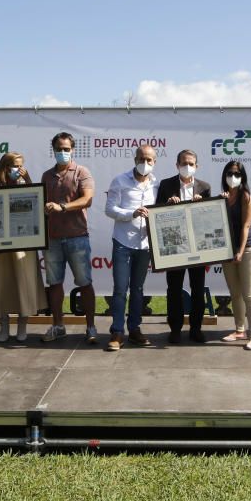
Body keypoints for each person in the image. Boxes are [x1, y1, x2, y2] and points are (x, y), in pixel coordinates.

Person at [41, 132, 97, 343]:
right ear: (53, 150)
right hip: (52, 238)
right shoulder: (46, 175)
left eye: (66, 149)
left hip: (77, 237)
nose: (62, 152)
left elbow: (87, 199)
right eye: (59, 149)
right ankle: (58, 325)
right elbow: (41, 202)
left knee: (84, 283)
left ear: (73, 150)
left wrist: (61, 207)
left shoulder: (82, 171)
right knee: (54, 284)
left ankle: (91, 327)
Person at [0, 152, 47, 343]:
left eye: (21, 166)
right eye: (14, 166)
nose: (18, 170)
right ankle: (3, 325)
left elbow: (38, 208)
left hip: (24, 247)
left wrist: (28, 180)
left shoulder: (27, 187)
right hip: (0, 248)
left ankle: (22, 325)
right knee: (1, 284)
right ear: (4, 167)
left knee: (25, 284)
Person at [104, 145, 159, 351]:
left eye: (150, 160)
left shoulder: (157, 184)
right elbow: (109, 209)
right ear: (135, 158)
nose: (145, 163)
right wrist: (132, 213)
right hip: (123, 242)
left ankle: (134, 329)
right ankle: (117, 331)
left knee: (137, 290)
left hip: (145, 245)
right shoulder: (120, 181)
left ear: (155, 162)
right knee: (120, 289)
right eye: (142, 159)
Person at [155, 149, 211, 343]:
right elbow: (156, 216)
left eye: (191, 164)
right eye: (184, 163)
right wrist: (167, 204)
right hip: (175, 246)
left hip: (197, 247)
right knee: (174, 289)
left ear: (197, 166)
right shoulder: (166, 185)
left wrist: (202, 205)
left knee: (197, 289)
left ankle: (196, 328)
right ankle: (175, 329)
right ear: (177, 165)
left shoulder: (204, 187)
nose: (188, 167)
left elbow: (209, 220)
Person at [219, 161, 251, 350]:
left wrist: (240, 251)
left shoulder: (246, 197)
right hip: (228, 250)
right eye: (229, 173)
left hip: (249, 249)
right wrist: (219, 204)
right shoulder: (222, 197)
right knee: (235, 293)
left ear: (243, 176)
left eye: (237, 173)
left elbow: (246, 226)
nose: (233, 176)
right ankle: (239, 330)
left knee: (249, 295)